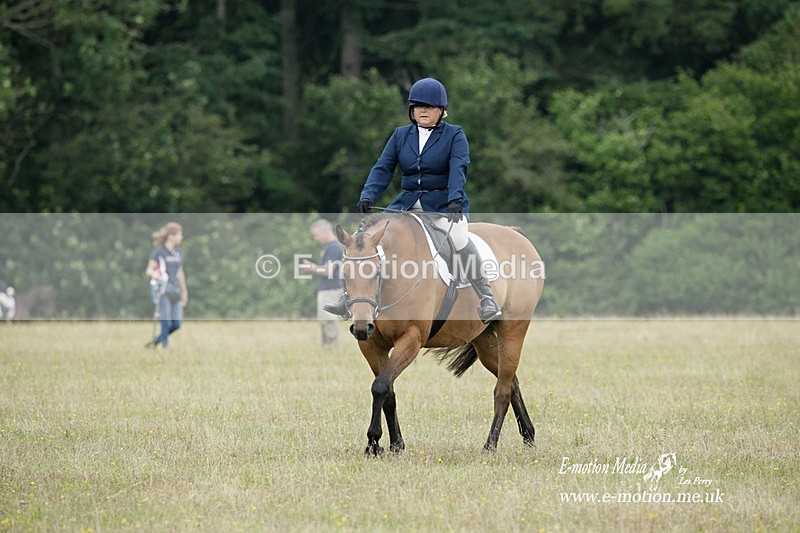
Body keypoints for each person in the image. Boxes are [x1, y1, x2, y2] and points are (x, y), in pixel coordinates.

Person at [324, 77, 501, 323]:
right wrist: (368, 194)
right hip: (405, 205)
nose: (423, 111)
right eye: (418, 106)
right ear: (412, 110)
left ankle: (486, 296)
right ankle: (349, 297)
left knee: (459, 238)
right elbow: (383, 167)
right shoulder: (400, 135)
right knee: (363, 236)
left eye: (429, 107)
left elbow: (459, 168)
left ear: (441, 110)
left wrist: (455, 199)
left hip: (443, 206)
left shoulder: (454, 135)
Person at [299, 219, 344, 348]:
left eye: (316, 235)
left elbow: (328, 271)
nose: (316, 238)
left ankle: (331, 347)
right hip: (327, 289)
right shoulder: (329, 247)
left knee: (329, 319)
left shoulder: (334, 247)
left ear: (325, 232)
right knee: (324, 319)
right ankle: (327, 347)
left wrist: (311, 267)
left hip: (331, 289)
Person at [145, 222, 188, 348]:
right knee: (165, 322)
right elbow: (149, 270)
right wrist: (155, 274)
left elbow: (180, 273)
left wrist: (184, 291)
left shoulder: (179, 252)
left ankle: (155, 342)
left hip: (176, 289)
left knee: (176, 324)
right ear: (171, 235)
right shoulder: (159, 251)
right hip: (163, 289)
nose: (181, 237)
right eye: (179, 234)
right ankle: (165, 347)